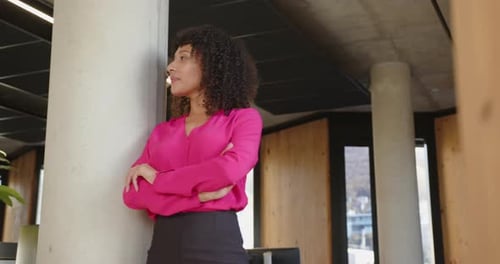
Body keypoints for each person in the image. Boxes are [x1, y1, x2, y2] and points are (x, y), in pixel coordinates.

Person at [122, 24, 262, 264]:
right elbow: (133, 195)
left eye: (183, 58)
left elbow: (227, 170)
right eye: (173, 59)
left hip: (217, 244)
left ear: (211, 66)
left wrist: (158, 178)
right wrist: (200, 197)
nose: (170, 67)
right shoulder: (163, 131)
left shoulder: (243, 119)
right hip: (163, 247)